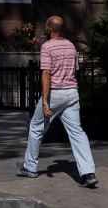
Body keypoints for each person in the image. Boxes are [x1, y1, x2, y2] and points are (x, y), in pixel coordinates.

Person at [17, 15, 97, 188]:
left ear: (48, 28)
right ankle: (88, 173)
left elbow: (46, 73)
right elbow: (74, 71)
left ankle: (29, 167)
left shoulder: (47, 47)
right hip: (72, 94)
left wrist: (45, 101)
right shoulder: (70, 46)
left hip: (55, 95)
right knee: (77, 132)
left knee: (36, 127)